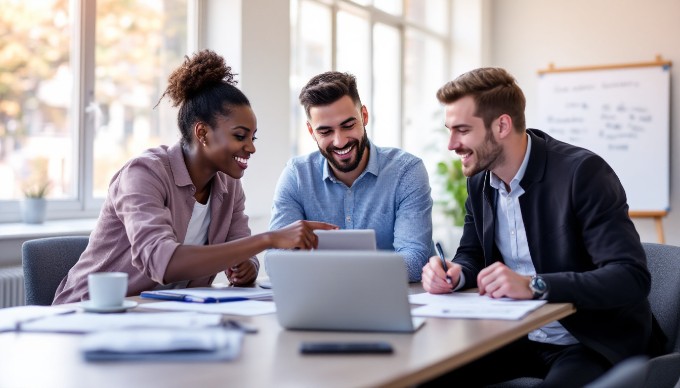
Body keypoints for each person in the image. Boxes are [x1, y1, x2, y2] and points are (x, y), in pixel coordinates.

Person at [421, 67, 665, 386]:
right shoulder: (480, 180)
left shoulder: (583, 174)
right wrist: (454, 273)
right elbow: (472, 254)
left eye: (462, 130)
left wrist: (534, 285)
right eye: (449, 130)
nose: (451, 144)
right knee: (430, 376)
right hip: (517, 335)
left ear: (502, 125)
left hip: (589, 341)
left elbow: (630, 277)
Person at [53, 50, 335, 304]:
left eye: (252, 137)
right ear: (202, 133)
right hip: (88, 314)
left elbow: (243, 250)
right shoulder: (143, 174)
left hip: (163, 317)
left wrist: (246, 267)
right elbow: (163, 263)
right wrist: (269, 239)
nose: (251, 147)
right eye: (240, 136)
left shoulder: (229, 185)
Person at [266, 71, 433, 282]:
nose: (340, 141)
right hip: (321, 303)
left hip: (391, 299)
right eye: (325, 132)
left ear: (364, 116)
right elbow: (276, 261)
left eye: (348, 126)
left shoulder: (406, 171)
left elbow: (415, 259)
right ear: (311, 131)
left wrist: (333, 274)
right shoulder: (297, 175)